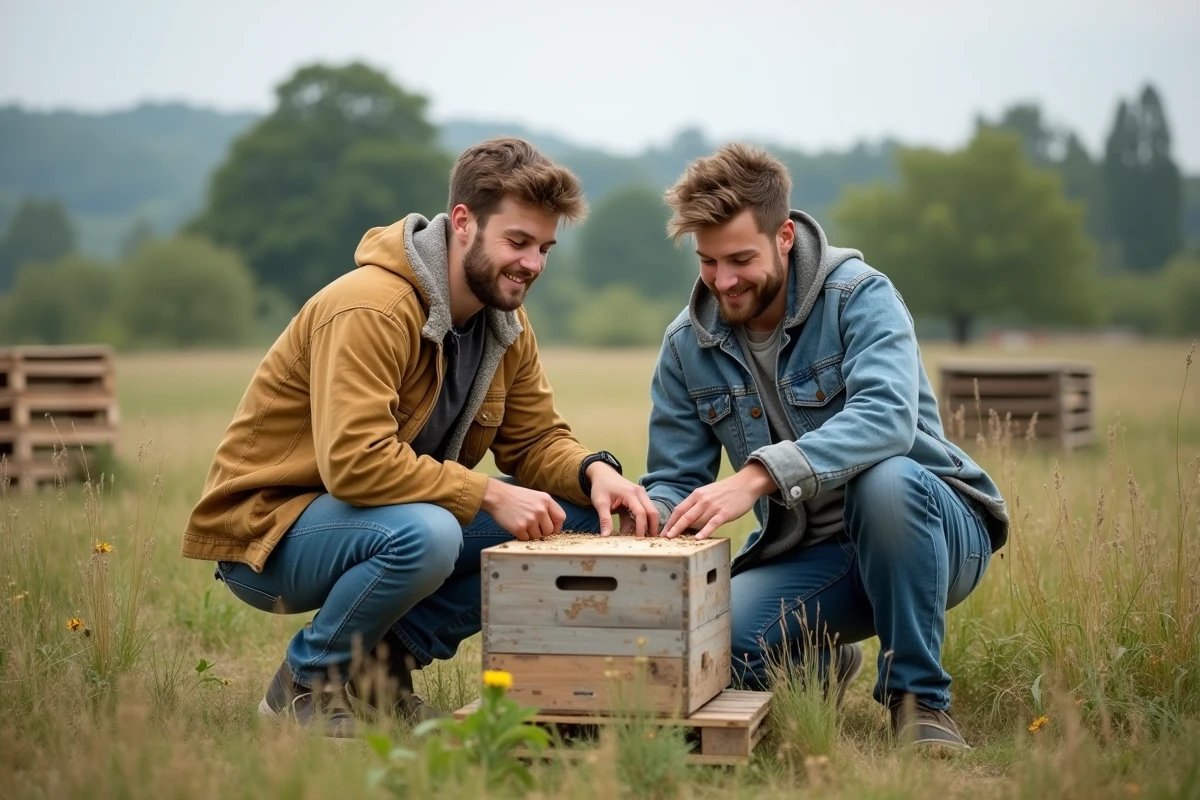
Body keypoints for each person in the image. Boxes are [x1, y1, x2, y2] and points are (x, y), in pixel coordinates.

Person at [181, 137, 659, 738]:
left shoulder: (506, 321)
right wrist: (489, 494)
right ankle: (305, 687)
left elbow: (534, 438)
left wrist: (594, 472)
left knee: (576, 521)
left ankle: (378, 675)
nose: (533, 264)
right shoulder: (371, 308)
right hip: (269, 535)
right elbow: (356, 465)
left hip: (387, 517)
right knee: (429, 532)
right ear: (463, 223)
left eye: (544, 248)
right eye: (517, 242)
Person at [638, 143, 1008, 751]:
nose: (723, 281)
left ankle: (920, 703)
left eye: (739, 259)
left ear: (784, 236)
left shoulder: (861, 295)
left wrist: (758, 475)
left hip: (930, 535)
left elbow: (888, 420)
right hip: (812, 555)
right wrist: (650, 523)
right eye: (707, 262)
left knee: (884, 481)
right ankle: (820, 658)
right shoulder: (685, 346)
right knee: (717, 648)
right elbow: (677, 476)